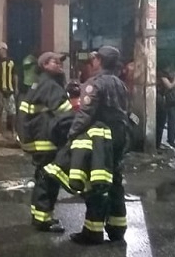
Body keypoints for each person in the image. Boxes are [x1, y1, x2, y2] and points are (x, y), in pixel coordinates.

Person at [66, 45, 129, 246]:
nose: (92, 62)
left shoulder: (95, 83)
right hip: (119, 136)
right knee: (115, 181)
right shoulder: (120, 84)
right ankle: (117, 229)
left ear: (99, 61)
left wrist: (72, 134)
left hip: (100, 138)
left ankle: (92, 232)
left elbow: (86, 113)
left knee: (96, 183)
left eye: (94, 59)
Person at [17, 51, 73, 233]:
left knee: (42, 176)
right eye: (54, 62)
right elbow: (66, 115)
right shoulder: (50, 86)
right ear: (44, 65)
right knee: (49, 179)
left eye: (60, 62)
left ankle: (39, 216)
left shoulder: (39, 83)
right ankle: (43, 220)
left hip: (38, 139)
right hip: (47, 140)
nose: (59, 65)